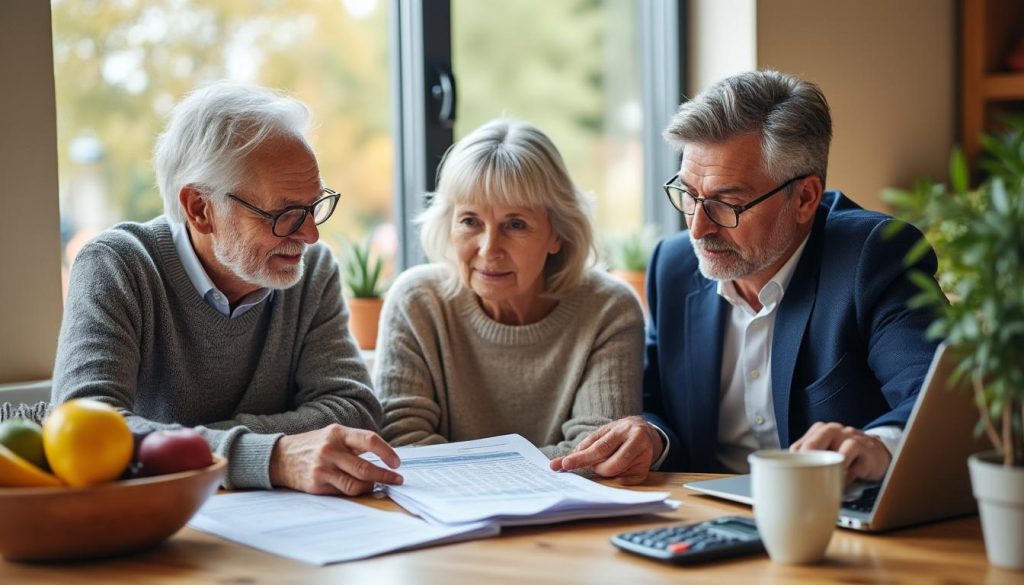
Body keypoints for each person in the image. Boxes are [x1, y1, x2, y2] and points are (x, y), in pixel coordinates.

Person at [551, 70, 940, 485]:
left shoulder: (873, 258)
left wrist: (877, 446)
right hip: (702, 519)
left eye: (726, 203)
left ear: (805, 198)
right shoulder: (674, 266)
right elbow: (654, 404)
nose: (698, 228)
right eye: (689, 195)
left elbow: (935, 398)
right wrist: (652, 436)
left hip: (831, 523)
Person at [49, 82, 402, 495]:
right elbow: (83, 430)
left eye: (313, 206)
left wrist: (194, 442)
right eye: (286, 213)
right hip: (163, 524)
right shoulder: (118, 266)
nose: (310, 235)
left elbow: (355, 411)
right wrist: (271, 456)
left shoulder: (312, 271)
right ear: (200, 209)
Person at [374, 119, 644, 458]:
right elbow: (402, 445)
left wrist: (462, 471)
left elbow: (598, 451)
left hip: (566, 511)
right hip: (442, 511)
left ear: (557, 233)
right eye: (470, 221)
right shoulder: (417, 302)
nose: (489, 249)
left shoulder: (608, 309)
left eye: (515, 224)